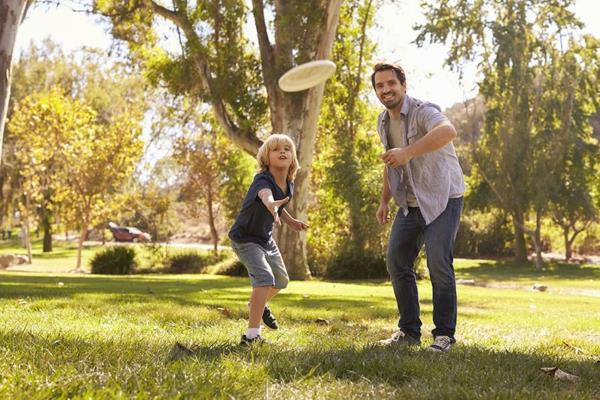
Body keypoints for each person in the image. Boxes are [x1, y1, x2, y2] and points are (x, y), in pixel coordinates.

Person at [371, 63, 465, 353]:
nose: (386, 89)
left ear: (403, 85)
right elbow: (392, 163)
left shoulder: (424, 111)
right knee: (397, 260)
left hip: (442, 197)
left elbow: (448, 130)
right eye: (380, 86)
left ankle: (444, 335)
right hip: (410, 202)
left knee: (438, 263)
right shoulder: (383, 122)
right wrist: (385, 200)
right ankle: (409, 331)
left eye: (391, 83)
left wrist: (408, 152)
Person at [229, 134, 309, 346]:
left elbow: (278, 205)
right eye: (276, 149)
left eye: (286, 149)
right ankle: (251, 336)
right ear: (266, 157)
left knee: (281, 280)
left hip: (264, 239)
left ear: (292, 157)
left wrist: (290, 220)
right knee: (264, 278)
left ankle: (256, 303)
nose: (282, 152)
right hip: (245, 238)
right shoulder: (262, 180)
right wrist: (270, 204)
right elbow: (267, 197)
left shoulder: (289, 184)